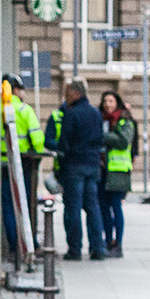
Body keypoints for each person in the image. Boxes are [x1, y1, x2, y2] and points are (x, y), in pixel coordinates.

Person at [56, 78, 107, 260]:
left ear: (75, 92)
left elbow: (64, 143)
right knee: (93, 207)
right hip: (92, 165)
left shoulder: (71, 114)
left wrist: (61, 164)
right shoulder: (96, 114)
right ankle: (98, 248)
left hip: (74, 166)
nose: (65, 96)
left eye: (67, 92)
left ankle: (75, 250)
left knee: (73, 208)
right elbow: (101, 140)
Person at [0, 74, 45, 260]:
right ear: (16, 90)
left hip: (2, 165)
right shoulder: (24, 110)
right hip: (24, 164)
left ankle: (13, 247)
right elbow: (38, 140)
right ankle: (28, 244)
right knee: (25, 205)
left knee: (9, 206)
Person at [99, 90, 137, 258]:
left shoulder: (124, 121)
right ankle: (108, 241)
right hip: (102, 170)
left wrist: (103, 136)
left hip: (118, 171)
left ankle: (118, 243)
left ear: (117, 103)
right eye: (105, 101)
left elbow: (123, 142)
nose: (108, 104)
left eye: (111, 101)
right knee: (104, 209)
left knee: (116, 207)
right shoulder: (100, 120)